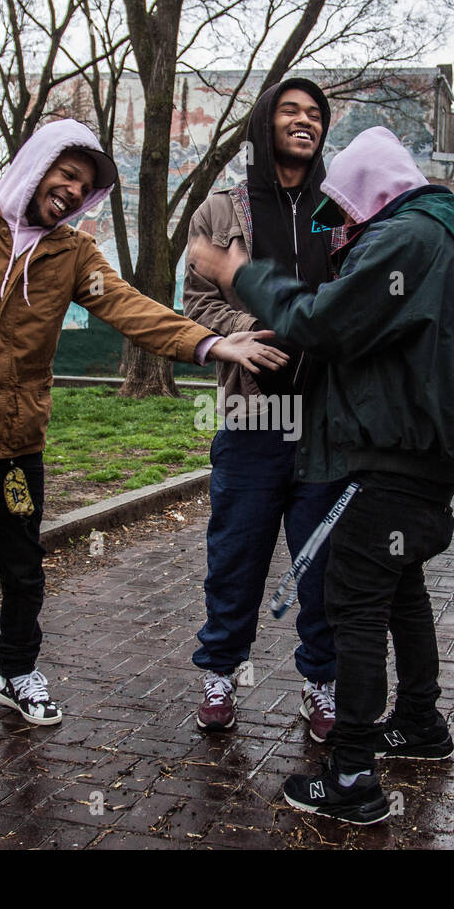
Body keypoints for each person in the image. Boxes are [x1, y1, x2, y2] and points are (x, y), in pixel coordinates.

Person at [0, 118, 287, 769]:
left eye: (84, 185)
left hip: (16, 450)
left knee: (23, 571)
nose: (72, 191)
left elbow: (131, 309)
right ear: (37, 165)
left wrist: (211, 343)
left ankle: (18, 675)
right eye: (66, 175)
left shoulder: (70, 255)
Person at [190, 126, 454, 824]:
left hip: (392, 457)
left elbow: (321, 322)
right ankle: (422, 724)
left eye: (342, 214)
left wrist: (237, 274)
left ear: (371, 191)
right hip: (438, 459)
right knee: (402, 590)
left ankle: (351, 779)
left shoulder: (406, 240)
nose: (339, 232)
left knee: (355, 604)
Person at [182, 77, 346, 741]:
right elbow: (195, 303)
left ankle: (322, 687)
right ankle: (220, 674)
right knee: (236, 554)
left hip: (327, 422)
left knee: (325, 565)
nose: (304, 121)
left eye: (315, 115)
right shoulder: (220, 210)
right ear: (265, 124)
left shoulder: (342, 210)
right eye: (291, 111)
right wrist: (237, 335)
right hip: (253, 418)